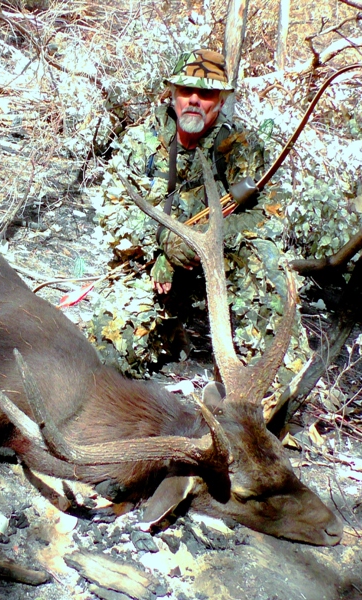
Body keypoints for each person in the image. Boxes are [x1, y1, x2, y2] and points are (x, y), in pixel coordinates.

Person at [92, 49, 308, 385]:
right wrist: (161, 247)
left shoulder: (239, 147)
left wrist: (209, 238)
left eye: (206, 94)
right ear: (172, 94)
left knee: (268, 264)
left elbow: (270, 214)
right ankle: (167, 332)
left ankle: (277, 389)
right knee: (107, 349)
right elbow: (114, 212)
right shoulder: (138, 143)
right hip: (154, 267)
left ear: (220, 101)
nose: (194, 100)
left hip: (219, 267)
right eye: (186, 92)